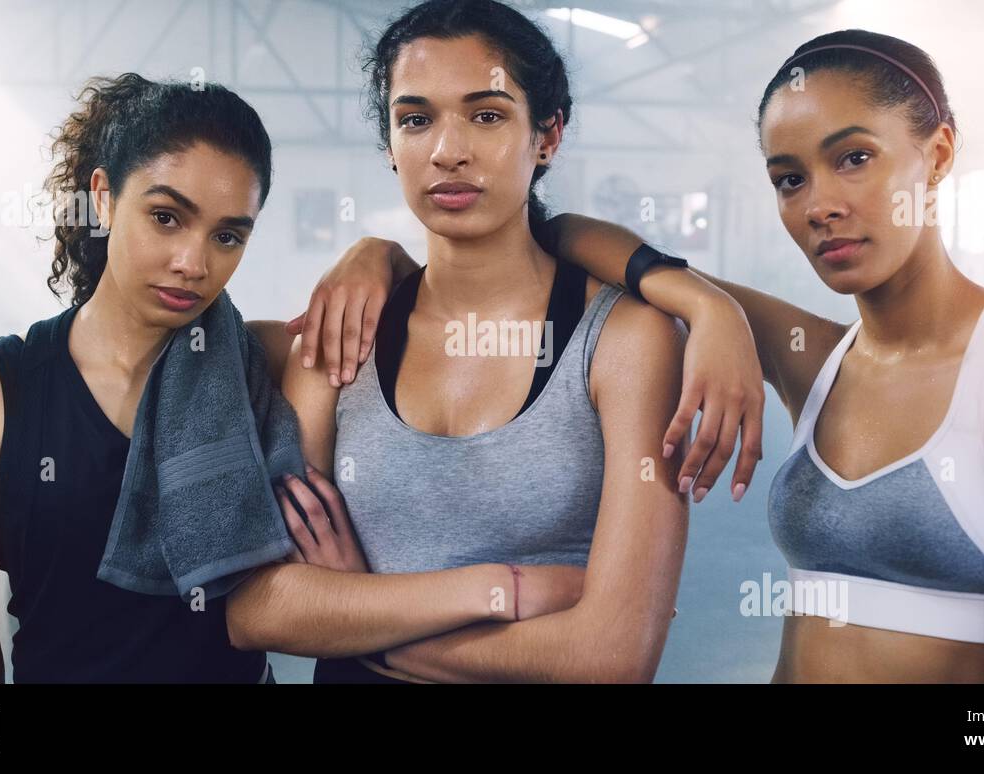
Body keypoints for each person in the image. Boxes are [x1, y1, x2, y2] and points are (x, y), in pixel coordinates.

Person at [532, 29, 984, 682]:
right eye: (790, 179)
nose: (819, 206)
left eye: (853, 158)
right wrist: (705, 307)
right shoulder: (816, 360)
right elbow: (564, 234)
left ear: (937, 155)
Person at [224, 0, 761, 683]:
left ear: (548, 136)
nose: (449, 151)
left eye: (487, 114)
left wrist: (364, 626)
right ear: (391, 146)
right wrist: (500, 590)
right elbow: (260, 611)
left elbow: (611, 658)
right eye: (416, 119)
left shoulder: (625, 342)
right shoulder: (340, 342)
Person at [0, 73, 286, 682]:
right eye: (166, 217)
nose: (193, 264)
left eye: (226, 236)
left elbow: (411, 313)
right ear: (104, 197)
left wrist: (380, 256)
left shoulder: (263, 361)